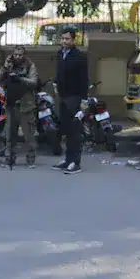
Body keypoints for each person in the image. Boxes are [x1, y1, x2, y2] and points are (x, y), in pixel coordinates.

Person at [0, 45, 39, 168]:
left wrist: (20, 78)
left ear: (24, 55)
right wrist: (5, 68)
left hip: (26, 104)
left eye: (20, 55)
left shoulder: (30, 65)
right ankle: (9, 158)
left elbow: (33, 82)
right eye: (16, 54)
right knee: (10, 134)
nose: (18, 57)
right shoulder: (9, 65)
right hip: (11, 104)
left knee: (28, 134)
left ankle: (30, 159)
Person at [54, 28, 89, 175]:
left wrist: (84, 101)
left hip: (75, 98)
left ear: (73, 40)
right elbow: (60, 73)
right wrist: (56, 84)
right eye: (62, 38)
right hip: (63, 97)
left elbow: (84, 80)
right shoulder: (60, 54)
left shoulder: (79, 57)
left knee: (75, 131)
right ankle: (68, 160)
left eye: (67, 39)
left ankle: (76, 162)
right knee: (67, 130)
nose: (64, 41)